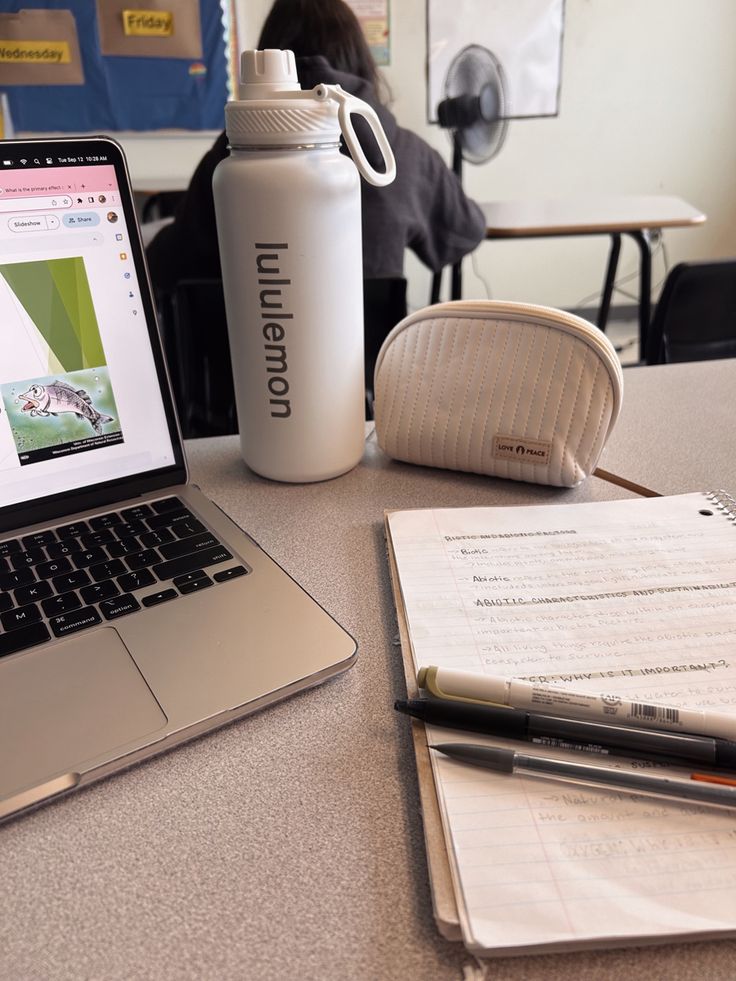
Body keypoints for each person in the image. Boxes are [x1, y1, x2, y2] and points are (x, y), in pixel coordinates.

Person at [146, 0, 486, 409]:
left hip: (231, 395)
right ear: (360, 56)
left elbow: (169, 266)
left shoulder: (229, 158)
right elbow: (465, 230)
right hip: (368, 383)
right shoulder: (404, 151)